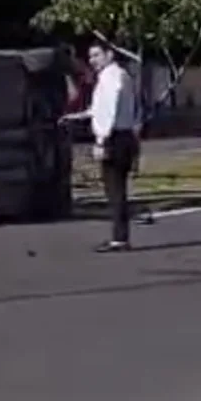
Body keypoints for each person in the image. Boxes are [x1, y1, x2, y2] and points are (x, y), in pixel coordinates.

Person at [61, 41, 139, 252]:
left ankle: (119, 238)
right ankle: (119, 236)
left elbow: (110, 110)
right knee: (116, 189)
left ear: (109, 54)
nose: (92, 60)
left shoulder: (111, 77)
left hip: (114, 138)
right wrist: (77, 116)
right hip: (123, 136)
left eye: (96, 55)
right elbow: (100, 109)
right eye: (90, 56)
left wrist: (101, 141)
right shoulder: (121, 75)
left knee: (115, 190)